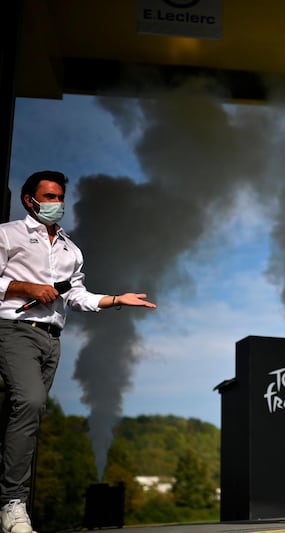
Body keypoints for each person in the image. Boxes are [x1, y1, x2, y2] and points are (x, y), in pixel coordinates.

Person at [0, 170, 157, 533]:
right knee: (31, 402)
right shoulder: (9, 234)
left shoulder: (71, 250)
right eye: (50, 197)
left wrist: (116, 299)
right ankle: (13, 503)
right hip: (14, 330)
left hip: (52, 340)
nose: (57, 204)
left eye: (60, 198)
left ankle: (10, 500)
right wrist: (28, 288)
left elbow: (77, 296)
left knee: (23, 414)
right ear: (30, 200)